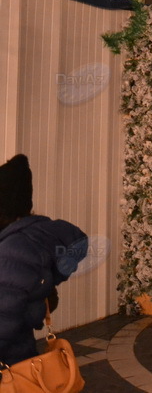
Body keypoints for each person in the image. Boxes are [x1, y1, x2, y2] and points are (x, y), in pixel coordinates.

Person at [0, 154, 88, 365]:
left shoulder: (14, 249)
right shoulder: (29, 241)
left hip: (9, 362)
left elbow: (4, 319)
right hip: (20, 354)